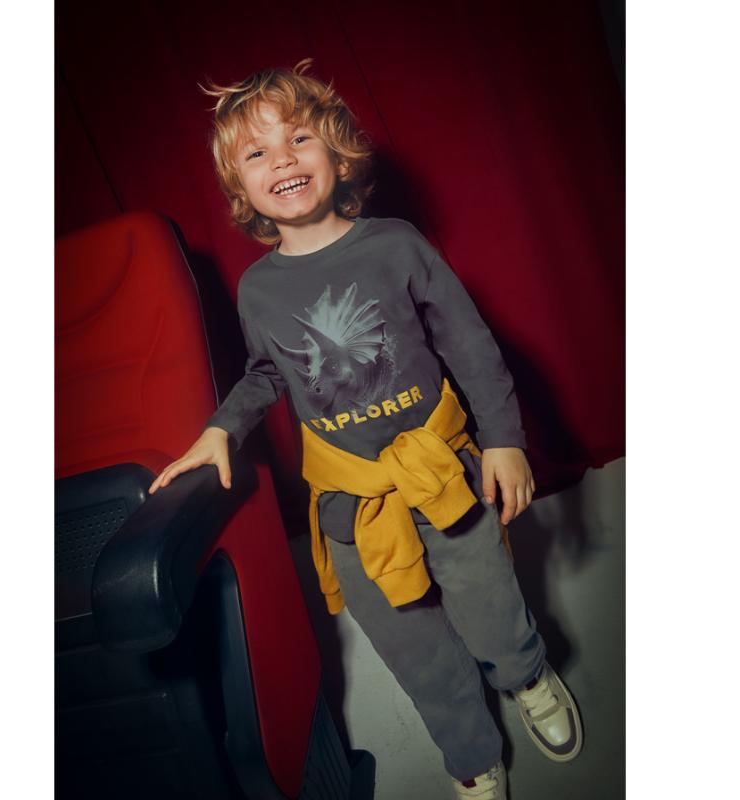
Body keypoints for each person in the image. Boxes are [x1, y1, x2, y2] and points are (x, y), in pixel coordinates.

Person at [148, 58, 582, 799]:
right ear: (240, 187)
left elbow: (470, 345)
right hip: (352, 504)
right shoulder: (257, 289)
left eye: (299, 138)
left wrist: (504, 439)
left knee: (491, 605)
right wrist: (223, 428)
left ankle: (526, 676)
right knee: (413, 646)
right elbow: (267, 372)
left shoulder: (396, 243)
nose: (283, 160)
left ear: (336, 149)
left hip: (444, 474)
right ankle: (470, 748)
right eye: (257, 153)